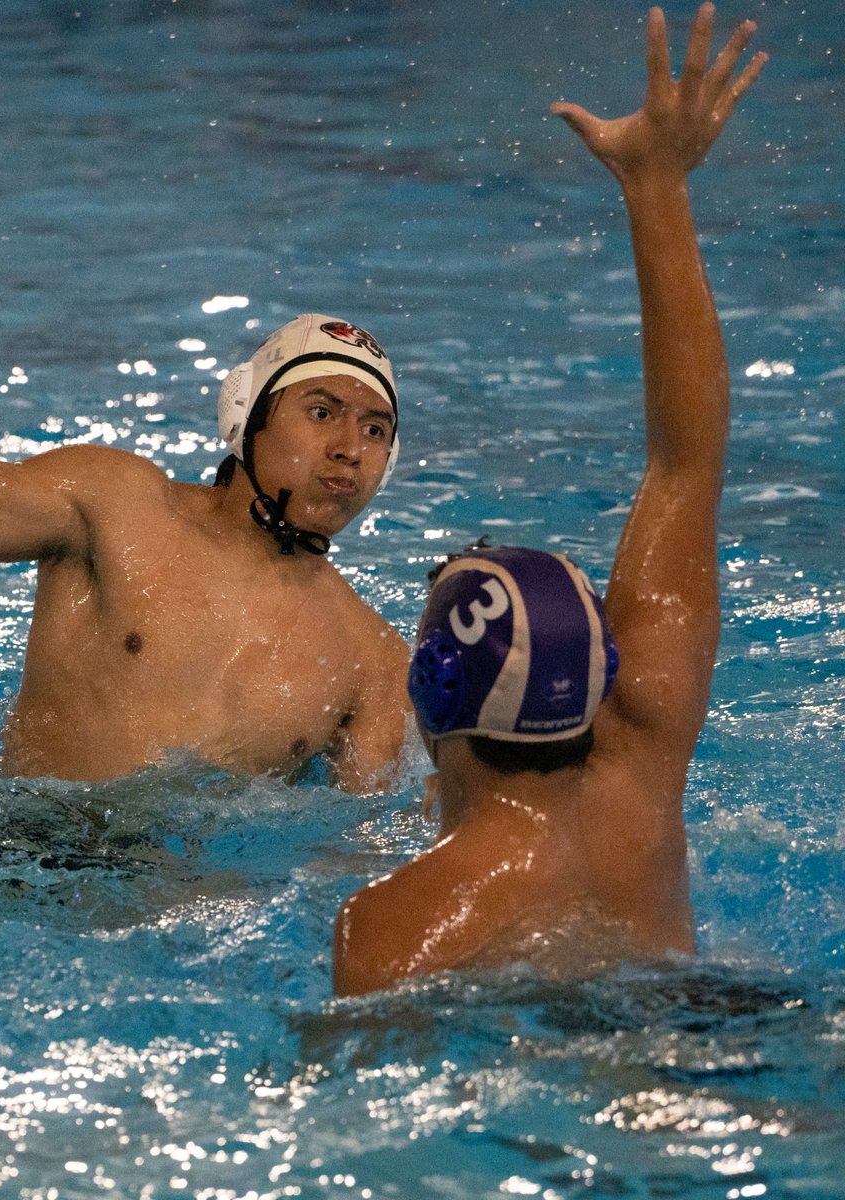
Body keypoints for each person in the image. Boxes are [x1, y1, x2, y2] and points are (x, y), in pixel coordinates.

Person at [0, 134, 410, 788]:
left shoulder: (371, 663)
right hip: (10, 862)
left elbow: (352, 864)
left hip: (192, 905)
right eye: (322, 412)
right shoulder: (114, 507)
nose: (351, 447)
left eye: (376, 429)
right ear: (245, 418)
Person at [333, 3, 767, 994]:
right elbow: (686, 464)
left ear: (432, 693)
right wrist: (658, 188)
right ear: (604, 675)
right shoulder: (645, 754)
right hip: (733, 1018)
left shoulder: (390, 928)